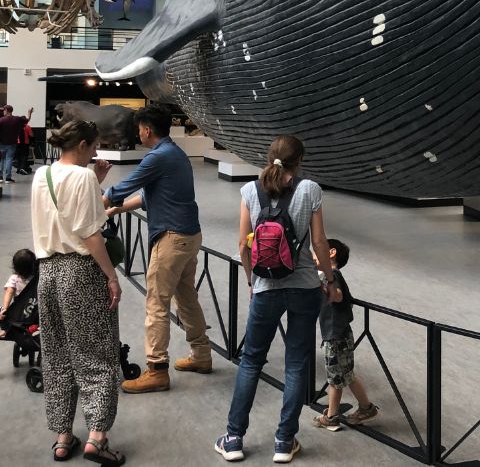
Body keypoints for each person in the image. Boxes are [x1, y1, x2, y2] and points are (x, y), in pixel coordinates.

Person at [215, 135, 340, 464]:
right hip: (304, 288)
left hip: (265, 287)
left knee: (252, 361)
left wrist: (250, 280)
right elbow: (319, 241)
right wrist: (327, 279)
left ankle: (233, 438)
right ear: (300, 160)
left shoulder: (249, 190)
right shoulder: (310, 189)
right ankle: (284, 442)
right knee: (297, 363)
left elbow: (243, 245)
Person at [31, 120, 125, 465]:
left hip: (48, 272)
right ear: (83, 144)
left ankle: (62, 435)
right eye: (94, 146)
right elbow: (89, 232)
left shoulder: (43, 175)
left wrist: (94, 180)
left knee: (57, 355)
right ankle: (97, 437)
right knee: (97, 354)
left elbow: (62, 213)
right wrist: (111, 277)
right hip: (80, 272)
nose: (96, 152)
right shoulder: (82, 177)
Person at [103, 105, 210, 393]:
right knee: (186, 298)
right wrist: (115, 211)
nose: (138, 133)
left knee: (156, 303)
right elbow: (147, 196)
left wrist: (97, 202)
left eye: (139, 128)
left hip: (171, 239)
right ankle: (202, 356)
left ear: (147, 129)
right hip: (189, 236)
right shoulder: (175, 154)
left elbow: (123, 187)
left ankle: (157, 369)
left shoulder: (157, 157)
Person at [314, 238, 378, 432]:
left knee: (335, 377)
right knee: (346, 375)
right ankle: (366, 408)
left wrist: (322, 286)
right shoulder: (327, 275)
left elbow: (338, 295)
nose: (314, 255)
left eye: (317, 252)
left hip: (335, 335)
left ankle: (332, 417)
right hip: (340, 333)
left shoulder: (332, 275)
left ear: (331, 253)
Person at [0, 248, 37, 338]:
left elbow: (9, 293)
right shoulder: (37, 278)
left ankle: (3, 329)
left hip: (19, 312)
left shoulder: (14, 278)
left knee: (1, 311)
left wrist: (4, 309)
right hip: (35, 311)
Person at [0, 104, 34, 182]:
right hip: (12, 143)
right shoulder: (17, 119)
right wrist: (29, 113)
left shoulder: (1, 120)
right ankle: (8, 178)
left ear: (6, 111)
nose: (3, 112)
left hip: (2, 143)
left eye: (4, 110)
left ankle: (0, 177)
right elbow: (27, 119)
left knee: (2, 160)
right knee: (9, 159)